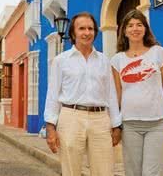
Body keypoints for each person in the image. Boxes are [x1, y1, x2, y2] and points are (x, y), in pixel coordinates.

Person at [44, 12, 122, 176]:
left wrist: (116, 125)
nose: (87, 32)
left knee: (105, 171)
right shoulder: (61, 60)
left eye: (90, 28)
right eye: (82, 28)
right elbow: (52, 94)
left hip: (100, 119)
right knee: (71, 171)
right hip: (70, 117)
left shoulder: (104, 61)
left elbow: (111, 95)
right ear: (73, 33)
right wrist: (50, 127)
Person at [110, 9, 163, 176]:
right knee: (133, 172)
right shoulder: (117, 60)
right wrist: (115, 123)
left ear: (145, 29)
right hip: (130, 124)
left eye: (139, 24)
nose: (135, 28)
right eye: (131, 25)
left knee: (153, 172)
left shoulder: (158, 52)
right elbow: (117, 94)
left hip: (157, 122)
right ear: (124, 31)